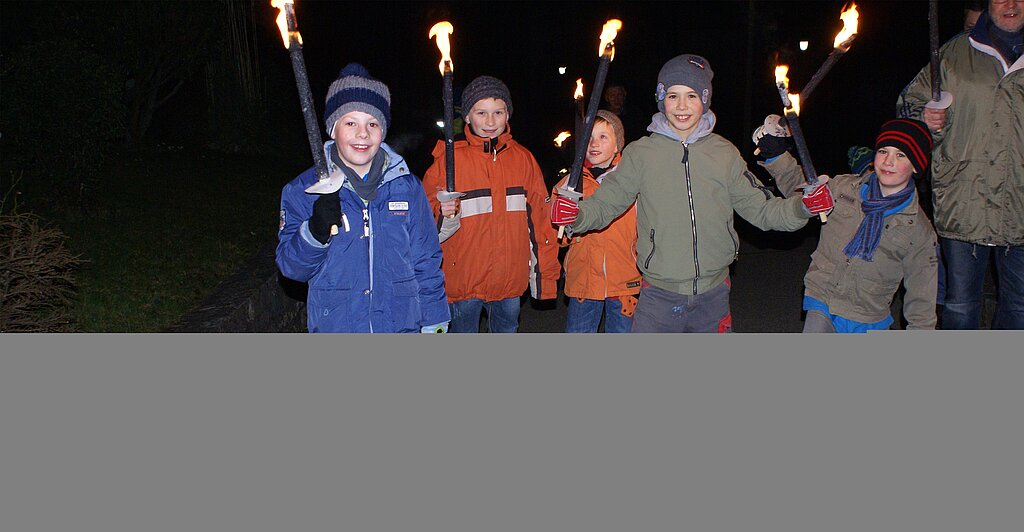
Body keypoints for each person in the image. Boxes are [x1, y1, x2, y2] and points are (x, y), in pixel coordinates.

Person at [550, 54, 832, 333]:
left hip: (714, 293)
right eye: (672, 96)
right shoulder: (641, 154)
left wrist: (803, 207)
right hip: (658, 294)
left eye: (692, 96)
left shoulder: (723, 153)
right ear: (661, 100)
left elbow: (761, 209)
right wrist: (576, 215)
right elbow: (605, 204)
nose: (681, 106)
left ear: (705, 100)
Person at [276, 63, 450, 333]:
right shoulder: (303, 190)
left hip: (400, 326)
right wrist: (314, 232)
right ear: (332, 129)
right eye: (350, 122)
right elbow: (291, 268)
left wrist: (435, 318)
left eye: (373, 123)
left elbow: (425, 258)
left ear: (384, 130)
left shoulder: (406, 187)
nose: (362, 133)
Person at [896, 0, 1023, 330]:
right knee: (960, 305)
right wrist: (926, 118)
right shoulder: (953, 55)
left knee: (1020, 306)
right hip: (964, 200)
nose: (1010, 4)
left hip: (1020, 204)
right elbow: (909, 105)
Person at [756, 118, 940, 332]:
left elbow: (922, 299)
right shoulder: (844, 190)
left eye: (901, 155)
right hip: (822, 298)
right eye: (883, 152)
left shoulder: (918, 230)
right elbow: (802, 188)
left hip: (868, 316)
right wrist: (776, 156)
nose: (888, 161)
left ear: (916, 165)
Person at [422, 75, 560, 333]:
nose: (490, 121)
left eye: (498, 112)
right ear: (467, 116)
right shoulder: (448, 161)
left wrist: (545, 277)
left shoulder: (523, 160)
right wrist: (442, 211)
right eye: (481, 112)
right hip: (464, 281)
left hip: (510, 280)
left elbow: (541, 221)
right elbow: (423, 220)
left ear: (508, 115)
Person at [551, 110, 641, 333]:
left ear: (618, 144)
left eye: (603, 137)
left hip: (624, 280)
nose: (594, 144)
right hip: (583, 282)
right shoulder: (569, 184)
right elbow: (558, 237)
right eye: (589, 137)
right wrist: (565, 225)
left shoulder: (631, 182)